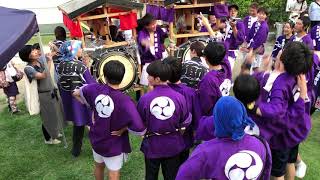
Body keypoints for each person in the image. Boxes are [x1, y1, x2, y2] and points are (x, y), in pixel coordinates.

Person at [248, 42, 312, 180]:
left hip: (282, 135)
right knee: (289, 162)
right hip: (296, 129)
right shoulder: (299, 74)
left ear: (284, 57)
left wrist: (254, 107)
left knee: (277, 174)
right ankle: (299, 165)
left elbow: (275, 110)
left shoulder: (280, 82)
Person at [73, 60, 145, 180]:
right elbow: (138, 126)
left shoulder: (93, 88)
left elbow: (75, 93)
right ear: (123, 78)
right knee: (113, 173)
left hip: (96, 137)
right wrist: (124, 128)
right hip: (113, 142)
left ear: (105, 76)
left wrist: (92, 108)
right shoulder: (125, 101)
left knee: (98, 166)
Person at [176, 96, 272, 180]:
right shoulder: (261, 144)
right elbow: (265, 173)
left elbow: (183, 176)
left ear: (216, 120)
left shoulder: (204, 151)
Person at [137, 60, 191, 180]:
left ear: (157, 79)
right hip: (173, 143)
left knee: (151, 176)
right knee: (171, 176)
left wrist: (143, 132)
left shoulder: (145, 99)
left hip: (152, 145)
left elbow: (139, 122)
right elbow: (186, 120)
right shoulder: (179, 97)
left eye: (149, 75)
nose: (147, 77)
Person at [57, 40, 96, 157]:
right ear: (72, 51)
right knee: (92, 122)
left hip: (69, 99)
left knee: (78, 124)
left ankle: (76, 150)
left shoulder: (59, 65)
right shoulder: (79, 65)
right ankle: (98, 148)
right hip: (81, 99)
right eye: (78, 48)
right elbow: (90, 83)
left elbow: (61, 82)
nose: (81, 50)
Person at [19, 44, 63, 145]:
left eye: (34, 49)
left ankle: (55, 132)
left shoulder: (39, 61)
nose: (35, 51)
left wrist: (52, 48)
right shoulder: (28, 69)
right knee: (47, 117)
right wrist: (49, 61)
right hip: (42, 95)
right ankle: (49, 139)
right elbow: (43, 75)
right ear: (27, 55)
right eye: (32, 51)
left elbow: (54, 53)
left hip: (51, 91)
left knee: (55, 113)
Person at [163, 56, 201, 164]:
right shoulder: (191, 93)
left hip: (166, 139)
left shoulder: (161, 92)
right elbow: (197, 120)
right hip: (184, 139)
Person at [197, 41, 232, 116]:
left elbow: (205, 106)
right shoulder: (226, 67)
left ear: (205, 58)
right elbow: (224, 50)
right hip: (224, 109)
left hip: (213, 117)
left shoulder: (208, 80)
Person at [137, 13, 168, 87]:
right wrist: (145, 42)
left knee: (160, 82)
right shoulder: (142, 32)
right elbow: (141, 40)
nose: (155, 25)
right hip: (148, 62)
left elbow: (165, 35)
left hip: (159, 61)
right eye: (152, 24)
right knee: (149, 85)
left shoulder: (158, 29)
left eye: (155, 23)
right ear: (146, 26)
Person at [245, 7, 269, 72]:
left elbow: (260, 40)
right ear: (257, 14)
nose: (261, 15)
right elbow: (250, 34)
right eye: (260, 13)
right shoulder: (255, 23)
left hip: (258, 48)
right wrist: (246, 42)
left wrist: (252, 49)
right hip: (252, 46)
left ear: (266, 16)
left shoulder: (264, 26)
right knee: (251, 66)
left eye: (263, 14)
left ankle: (254, 80)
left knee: (254, 67)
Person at [225, 4, 246, 70]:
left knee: (228, 71)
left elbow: (240, 39)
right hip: (222, 51)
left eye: (235, 11)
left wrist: (234, 27)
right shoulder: (225, 22)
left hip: (231, 52)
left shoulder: (239, 23)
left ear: (237, 12)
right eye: (231, 10)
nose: (233, 12)